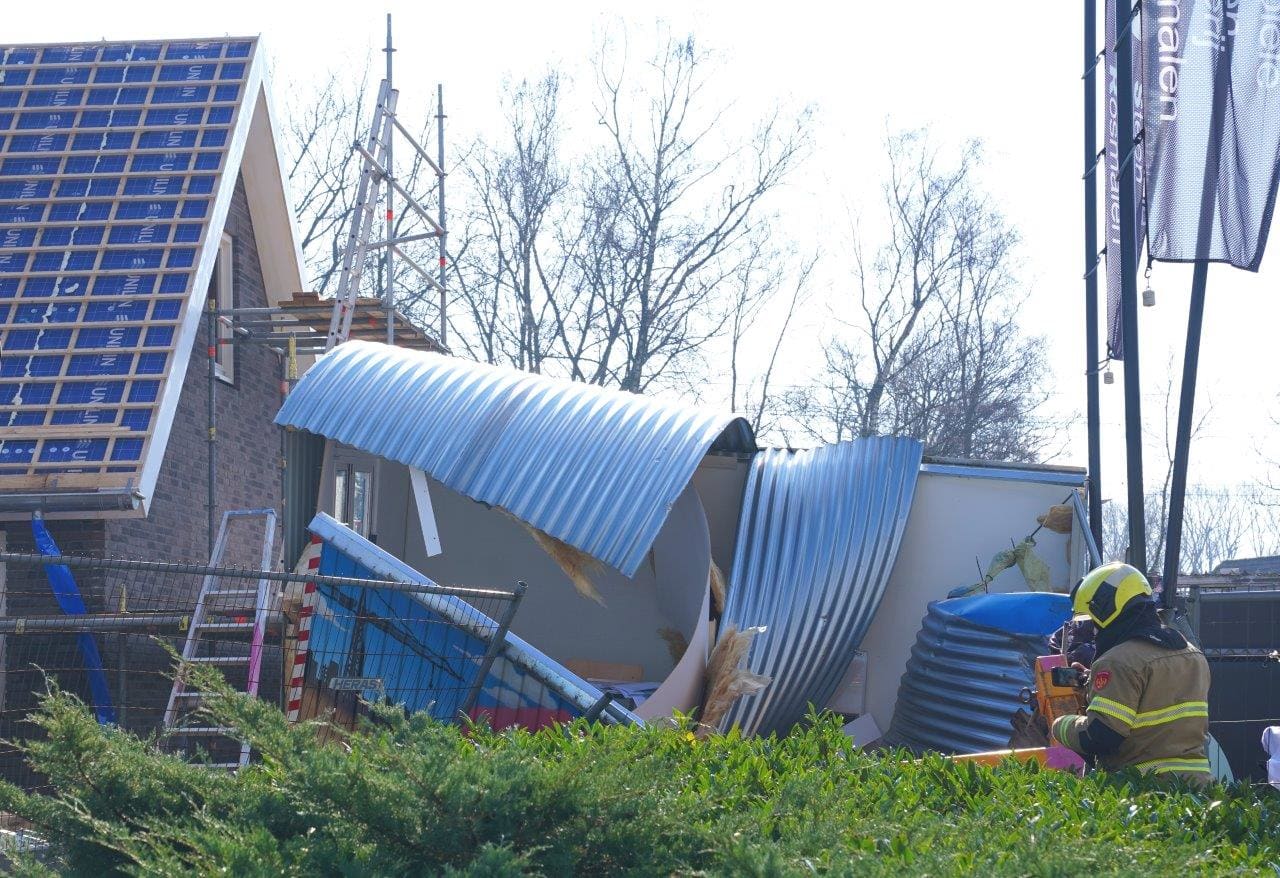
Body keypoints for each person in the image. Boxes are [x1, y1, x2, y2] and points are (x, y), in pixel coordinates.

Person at [1051, 561, 1212, 785]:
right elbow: (1154, 699)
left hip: (1145, 789)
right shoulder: (1192, 655)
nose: (1095, 630)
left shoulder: (1117, 661)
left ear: (1107, 610)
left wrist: (1060, 724)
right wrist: (1092, 683)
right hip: (1196, 788)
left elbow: (1100, 736)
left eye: (1093, 621)